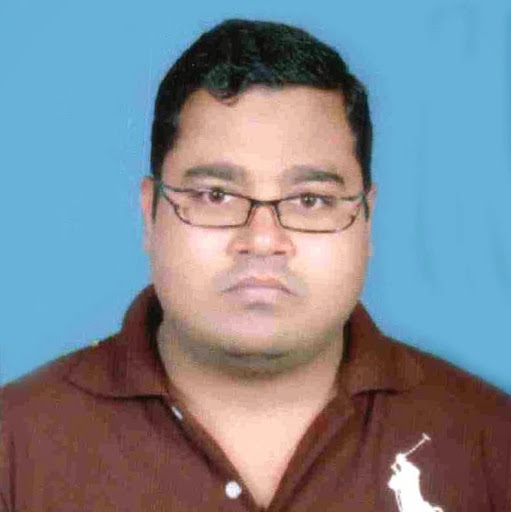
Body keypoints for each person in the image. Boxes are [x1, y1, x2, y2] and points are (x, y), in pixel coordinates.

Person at [0, 18, 509, 512]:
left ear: (368, 219)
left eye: (310, 200)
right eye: (215, 195)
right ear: (150, 215)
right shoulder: (16, 445)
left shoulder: (488, 441)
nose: (263, 241)